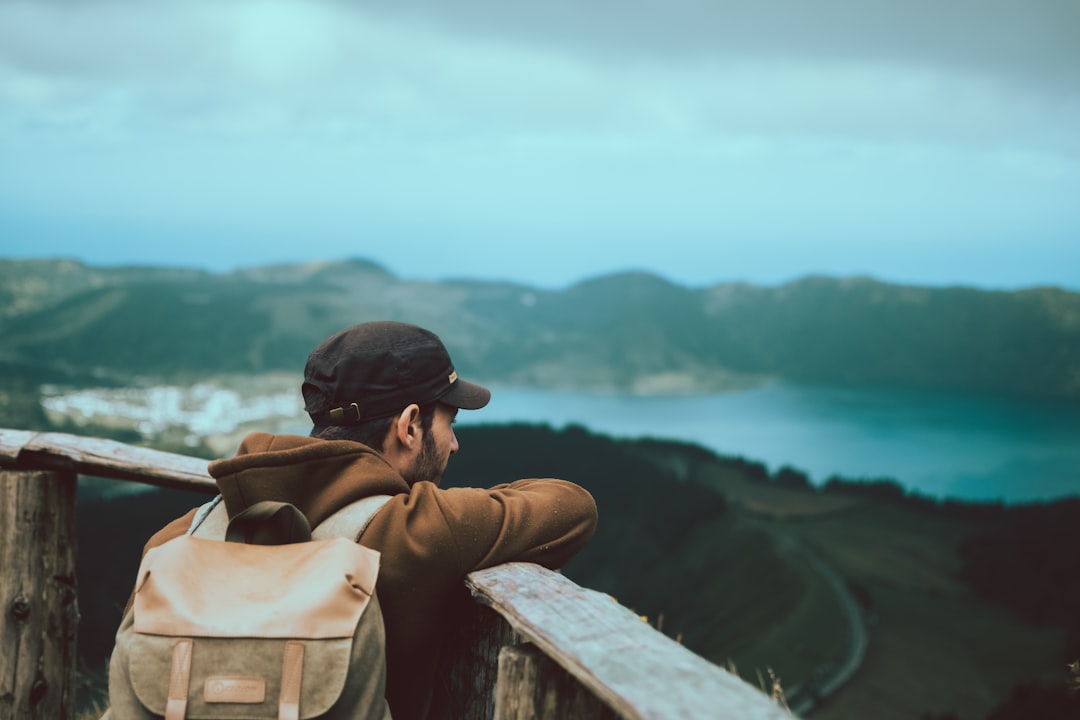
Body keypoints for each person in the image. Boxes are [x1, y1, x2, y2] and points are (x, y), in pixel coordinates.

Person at [125, 321, 598, 719]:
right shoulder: (419, 531)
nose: (454, 444)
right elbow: (572, 506)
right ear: (409, 424)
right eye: (449, 422)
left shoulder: (176, 539)